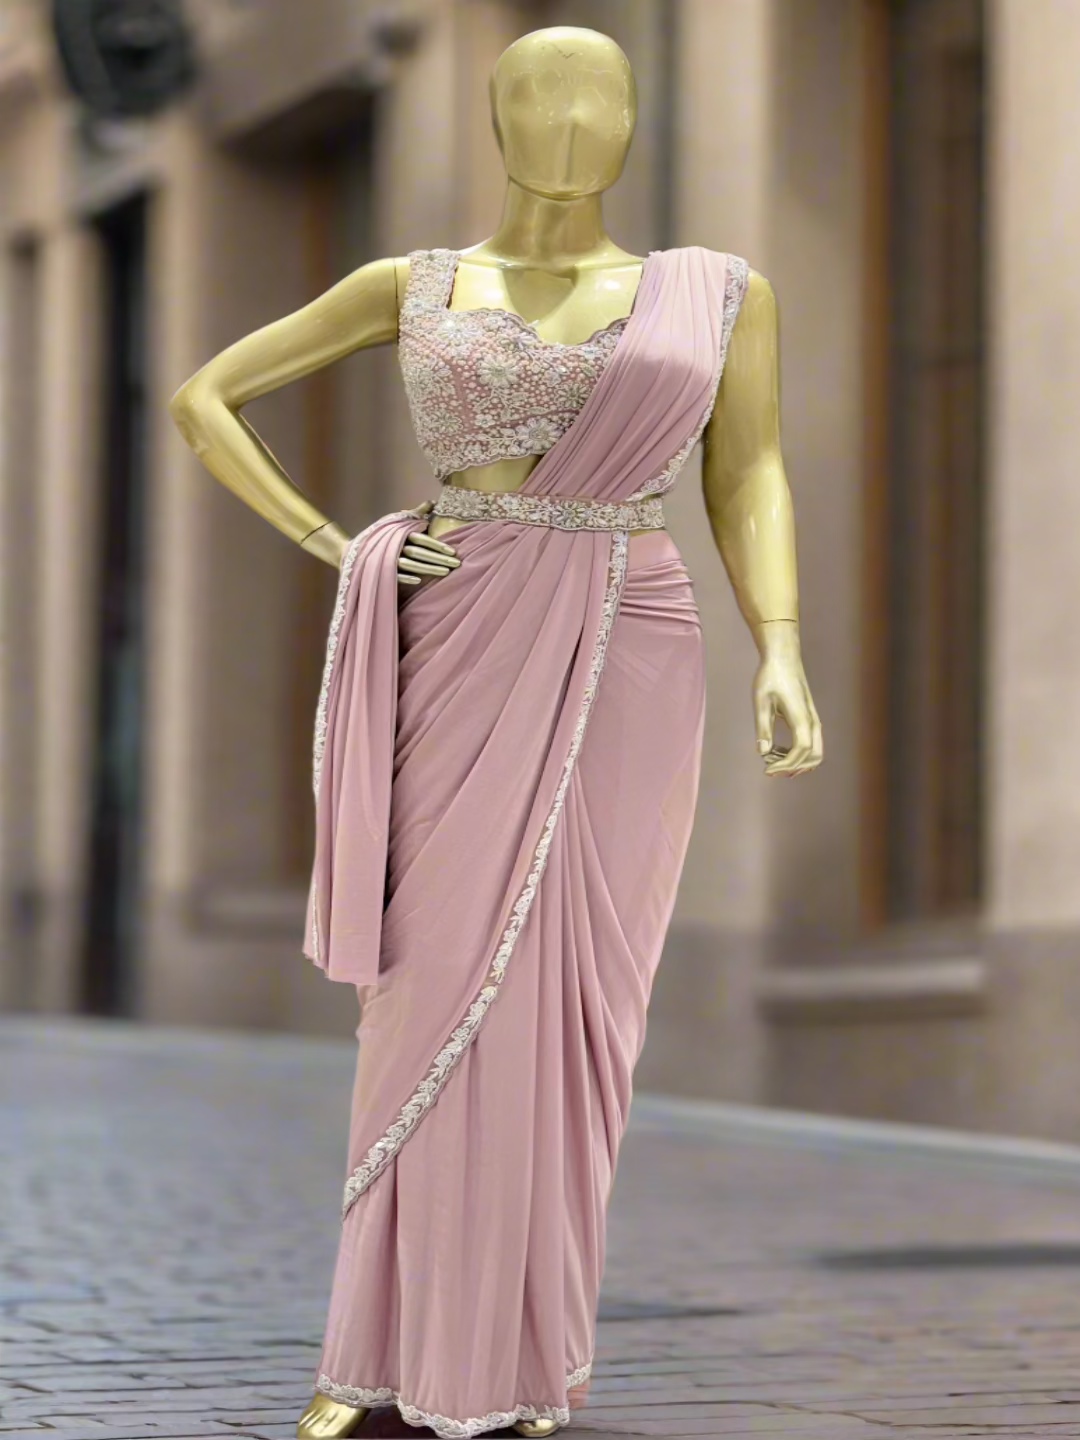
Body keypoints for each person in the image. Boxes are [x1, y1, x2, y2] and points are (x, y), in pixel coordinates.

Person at [169, 25, 823, 1440]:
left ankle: (527, 1355)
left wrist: (779, 644)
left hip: (635, 637)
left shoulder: (719, 293)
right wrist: (338, 544)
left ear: (635, 121)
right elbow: (204, 397)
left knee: (584, 995)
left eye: (601, 98)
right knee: (428, 980)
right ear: (494, 117)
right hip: (460, 627)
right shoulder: (410, 285)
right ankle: (374, 1350)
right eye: (539, 95)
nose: (572, 122)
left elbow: (750, 469)